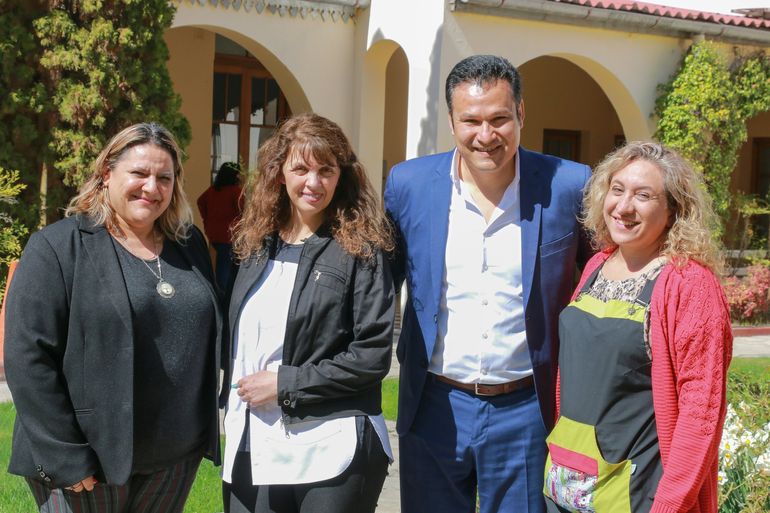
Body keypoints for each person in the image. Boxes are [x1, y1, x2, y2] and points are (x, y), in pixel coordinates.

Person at [384, 54, 591, 513]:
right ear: (452, 120)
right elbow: (377, 282)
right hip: (434, 404)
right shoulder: (409, 185)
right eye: (471, 120)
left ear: (521, 113)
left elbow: (603, 278)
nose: (486, 135)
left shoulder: (569, 186)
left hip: (525, 411)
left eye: (499, 119)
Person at [4, 122, 222, 513]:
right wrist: (66, 457)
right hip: (90, 458)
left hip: (174, 457)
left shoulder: (188, 245)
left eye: (164, 177)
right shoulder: (57, 248)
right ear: (106, 174)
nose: (151, 188)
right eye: (138, 174)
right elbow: (27, 357)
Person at [221, 113, 395, 513]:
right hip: (255, 438)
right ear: (279, 173)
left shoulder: (361, 249)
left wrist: (285, 383)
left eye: (325, 170)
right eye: (301, 168)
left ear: (341, 176)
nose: (313, 183)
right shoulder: (255, 246)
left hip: (331, 443)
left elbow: (371, 356)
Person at [545, 142, 732, 513]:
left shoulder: (689, 284)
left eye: (643, 195)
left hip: (637, 495)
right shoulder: (596, 266)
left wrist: (670, 504)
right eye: (617, 190)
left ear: (674, 210)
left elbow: (701, 413)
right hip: (566, 485)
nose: (624, 206)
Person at [197, 161, 243, 292]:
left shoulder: (212, 190)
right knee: (226, 274)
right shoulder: (235, 191)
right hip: (229, 237)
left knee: (218, 269)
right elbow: (244, 211)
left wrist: (207, 221)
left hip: (214, 236)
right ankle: (222, 300)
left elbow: (200, 202)